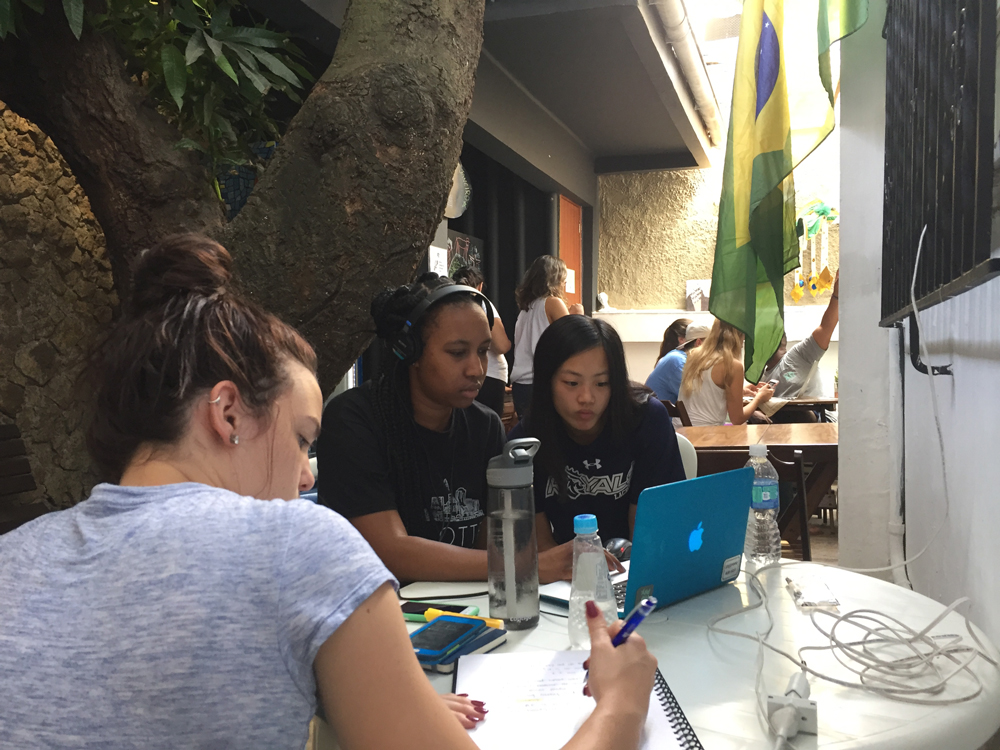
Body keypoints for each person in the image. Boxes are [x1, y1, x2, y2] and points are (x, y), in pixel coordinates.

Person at [0, 235, 658, 750]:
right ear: (227, 414)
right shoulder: (298, 547)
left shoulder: (16, 557)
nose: (310, 476)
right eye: (300, 438)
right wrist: (623, 703)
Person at [317, 274, 586, 583]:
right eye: (458, 353)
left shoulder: (485, 427)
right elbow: (390, 553)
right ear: (411, 351)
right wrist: (523, 565)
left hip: (465, 612)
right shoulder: (354, 421)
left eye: (483, 350)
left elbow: (490, 546)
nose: (477, 369)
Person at [508, 315, 687, 545]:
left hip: (631, 569)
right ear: (547, 382)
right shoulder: (527, 441)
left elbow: (650, 537)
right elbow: (541, 551)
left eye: (602, 383)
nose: (587, 398)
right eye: (571, 383)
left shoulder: (646, 421)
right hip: (564, 574)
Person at [508, 255, 582, 419]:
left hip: (521, 385)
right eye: (563, 279)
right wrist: (578, 316)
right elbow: (574, 338)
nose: (564, 284)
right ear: (555, 279)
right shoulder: (553, 302)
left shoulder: (525, 310)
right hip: (542, 382)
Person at [760, 271, 840, 420]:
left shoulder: (800, 354)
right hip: (783, 433)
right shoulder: (762, 380)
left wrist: (837, 295)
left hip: (817, 423)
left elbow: (825, 328)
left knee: (797, 413)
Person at [679, 319, 774, 426]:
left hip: (681, 433)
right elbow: (737, 419)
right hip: (707, 435)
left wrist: (740, 391)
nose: (743, 344)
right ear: (738, 337)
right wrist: (759, 398)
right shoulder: (732, 365)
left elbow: (705, 395)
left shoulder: (693, 356)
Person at [451, 266, 510, 418]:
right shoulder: (483, 305)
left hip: (459, 374)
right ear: (480, 286)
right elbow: (502, 345)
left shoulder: (451, 306)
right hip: (490, 375)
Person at [644, 320, 710, 404]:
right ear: (698, 343)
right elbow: (700, 399)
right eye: (711, 344)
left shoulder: (677, 358)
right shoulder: (677, 361)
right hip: (661, 416)